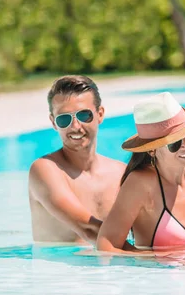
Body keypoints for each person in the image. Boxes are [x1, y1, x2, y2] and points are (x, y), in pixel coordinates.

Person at [96, 92, 185, 253]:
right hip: (161, 274)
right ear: (152, 150)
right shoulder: (141, 183)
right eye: (174, 143)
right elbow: (106, 246)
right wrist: (155, 261)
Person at [28, 75, 126, 243]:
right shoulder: (45, 170)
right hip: (62, 268)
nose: (75, 127)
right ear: (53, 122)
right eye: (64, 119)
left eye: (83, 115)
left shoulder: (121, 173)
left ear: (100, 114)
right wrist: (149, 259)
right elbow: (88, 230)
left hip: (114, 267)